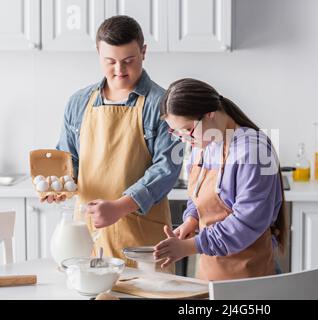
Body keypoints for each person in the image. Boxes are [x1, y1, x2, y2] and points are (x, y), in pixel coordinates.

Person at [53, 15, 182, 265]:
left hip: (143, 241)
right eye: (110, 61)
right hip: (88, 236)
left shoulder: (162, 104)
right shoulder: (78, 102)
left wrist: (120, 207)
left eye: (128, 61)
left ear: (143, 52)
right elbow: (69, 162)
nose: (119, 70)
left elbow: (166, 169)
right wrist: (60, 186)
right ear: (98, 53)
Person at [154, 78, 287, 280]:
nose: (184, 139)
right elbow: (196, 198)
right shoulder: (204, 146)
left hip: (250, 276)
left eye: (187, 129)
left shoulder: (253, 151)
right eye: (176, 132)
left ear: (210, 114)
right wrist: (191, 220)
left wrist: (190, 246)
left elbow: (246, 223)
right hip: (211, 272)